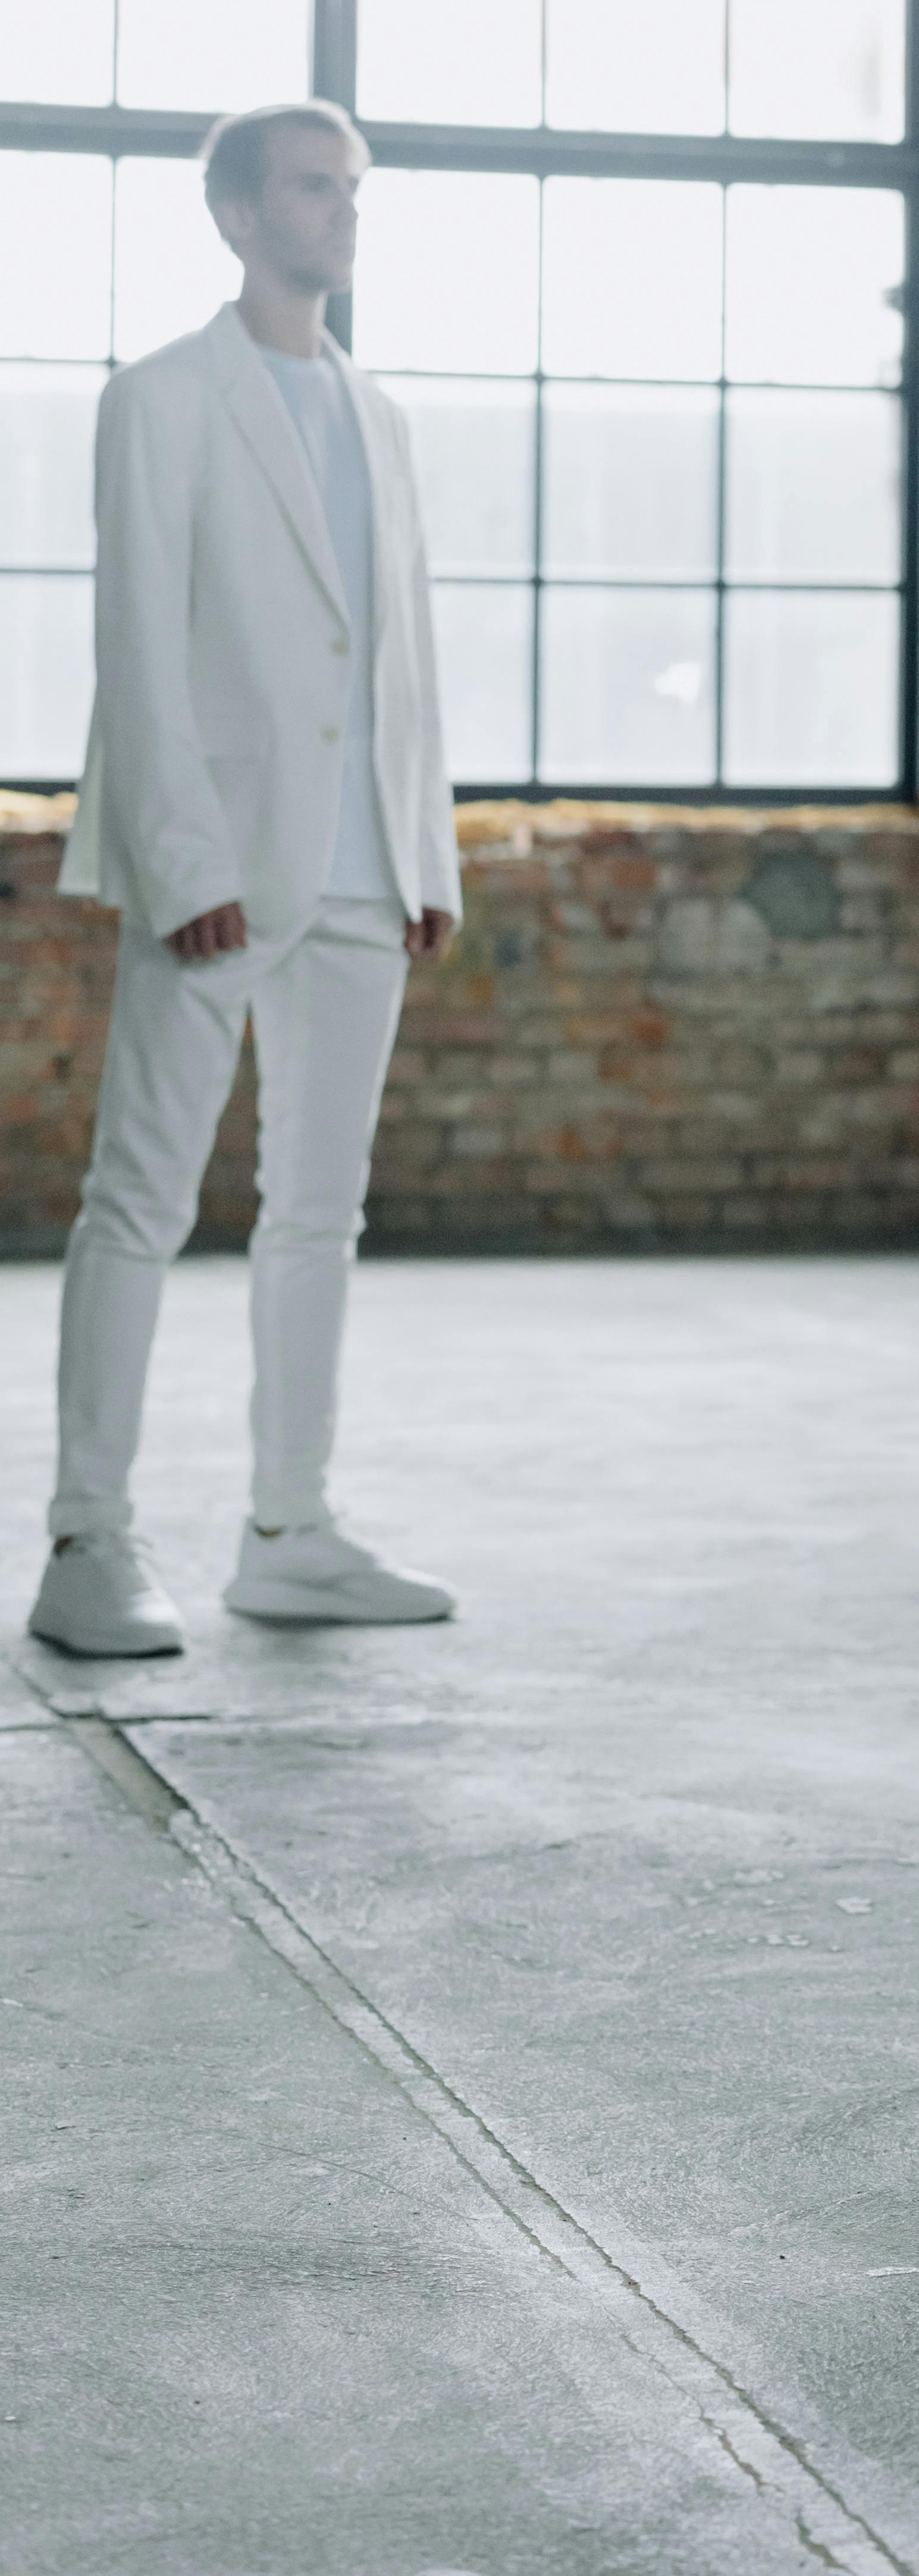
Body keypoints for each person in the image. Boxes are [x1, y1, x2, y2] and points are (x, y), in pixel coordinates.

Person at [29, 101, 462, 1662]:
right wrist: (178, 856)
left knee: (319, 1214)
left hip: (365, 878)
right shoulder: (161, 399)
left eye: (352, 188)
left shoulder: (383, 416)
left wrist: (427, 846)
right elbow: (139, 641)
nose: (341, 211)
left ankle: (289, 1526)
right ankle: (90, 1536)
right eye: (309, 187)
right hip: (215, 872)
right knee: (138, 1200)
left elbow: (402, 650)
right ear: (233, 215)